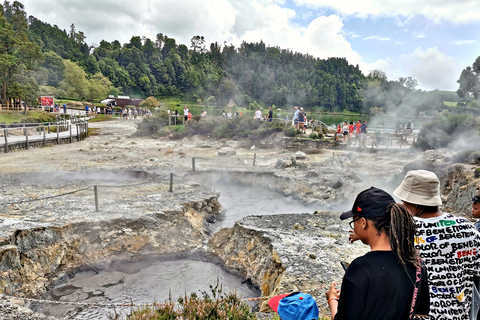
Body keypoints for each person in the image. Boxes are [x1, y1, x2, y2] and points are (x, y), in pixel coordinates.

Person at [326, 187, 429, 320]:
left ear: (363, 222)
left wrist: (332, 299)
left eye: (354, 221)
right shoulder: (417, 264)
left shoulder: (360, 267)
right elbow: (420, 312)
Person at [393, 170, 480, 320]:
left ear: (415, 202)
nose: (402, 204)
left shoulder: (405, 231)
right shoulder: (468, 229)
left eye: (404, 200)